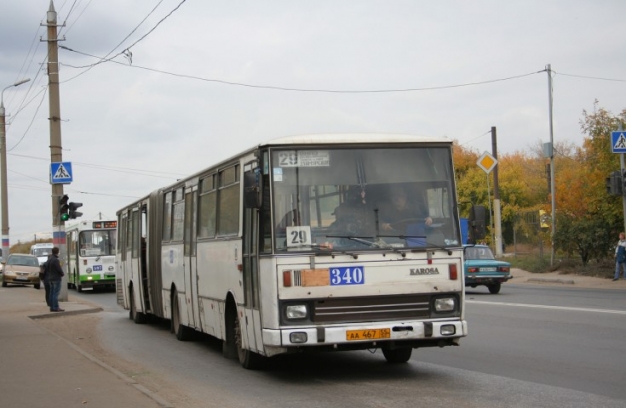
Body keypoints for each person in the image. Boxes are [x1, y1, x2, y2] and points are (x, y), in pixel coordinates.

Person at [47, 246, 65, 312]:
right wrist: (62, 273)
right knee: (55, 294)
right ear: (57, 252)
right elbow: (59, 269)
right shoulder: (55, 260)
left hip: (50, 278)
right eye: (59, 251)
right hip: (56, 278)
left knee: (51, 293)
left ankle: (51, 307)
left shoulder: (50, 259)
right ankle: (56, 307)